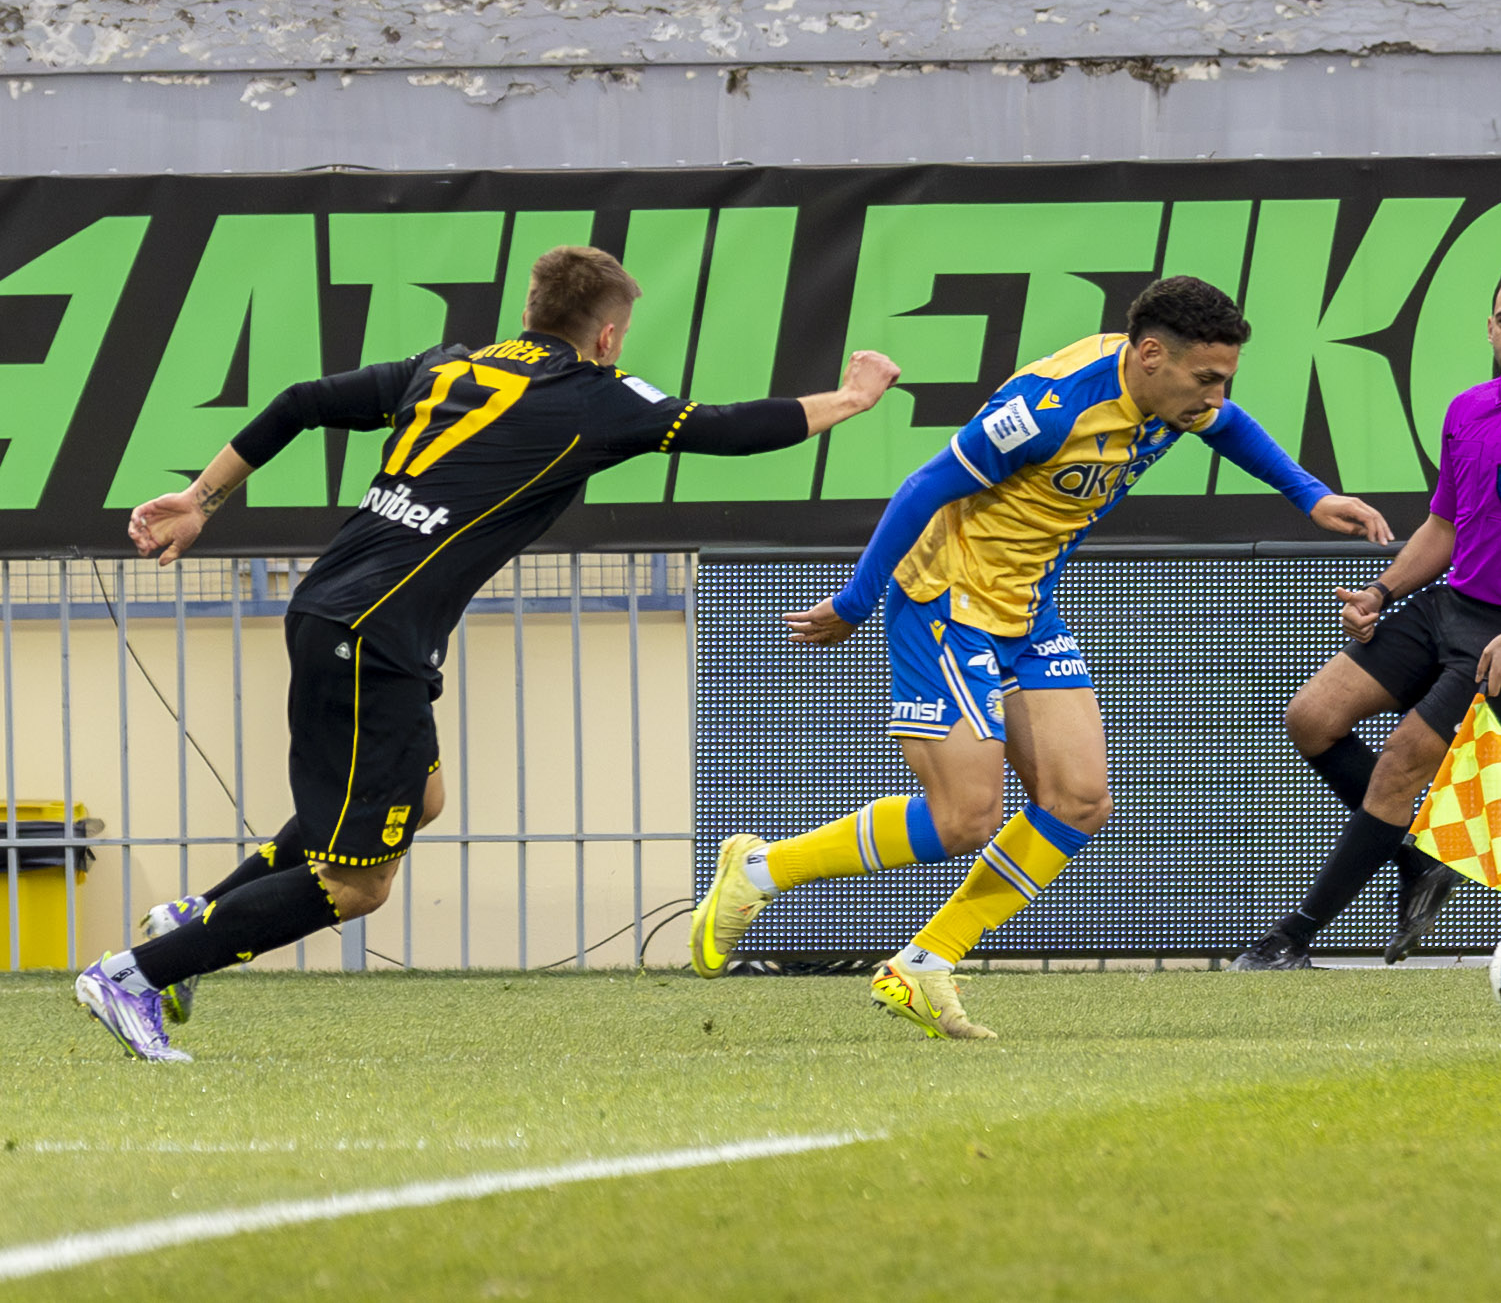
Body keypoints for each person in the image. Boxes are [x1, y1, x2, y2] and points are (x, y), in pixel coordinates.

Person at [75, 245, 900, 1062]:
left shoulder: (446, 367)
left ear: (528, 312)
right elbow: (730, 428)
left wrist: (201, 498)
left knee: (421, 798)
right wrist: (851, 398)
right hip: (372, 640)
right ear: (608, 336)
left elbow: (300, 401)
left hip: (337, 612)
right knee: (356, 883)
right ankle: (135, 974)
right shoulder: (596, 397)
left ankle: (194, 917)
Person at [686, 275, 1391, 1038]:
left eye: (1225, 378)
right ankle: (759, 871)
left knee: (1079, 799)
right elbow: (923, 486)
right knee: (964, 818)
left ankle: (923, 963)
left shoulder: (1174, 397)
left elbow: (1229, 426)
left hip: (1026, 608)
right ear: (1151, 356)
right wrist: (855, 602)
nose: (1216, 396)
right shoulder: (1052, 408)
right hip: (946, 600)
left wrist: (1309, 494)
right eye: (1207, 378)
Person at [1231, 259, 1501, 970]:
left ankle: (1291, 937)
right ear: (1489, 327)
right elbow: (1443, 529)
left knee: (1400, 761)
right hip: (1446, 606)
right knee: (1311, 718)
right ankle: (1418, 856)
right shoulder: (1465, 410)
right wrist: (1379, 594)